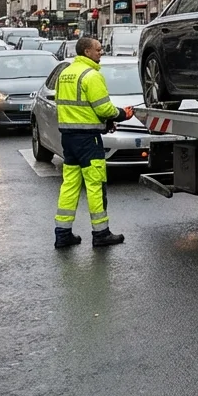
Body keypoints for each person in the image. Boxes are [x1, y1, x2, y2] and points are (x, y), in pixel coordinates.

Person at [53, 36, 133, 248]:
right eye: (98, 49)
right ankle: (101, 234)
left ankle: (62, 234)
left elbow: (76, 109)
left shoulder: (65, 74)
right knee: (95, 185)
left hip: (69, 138)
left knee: (69, 185)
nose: (101, 52)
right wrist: (122, 114)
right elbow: (103, 108)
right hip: (88, 141)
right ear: (86, 52)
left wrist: (103, 125)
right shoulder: (92, 75)